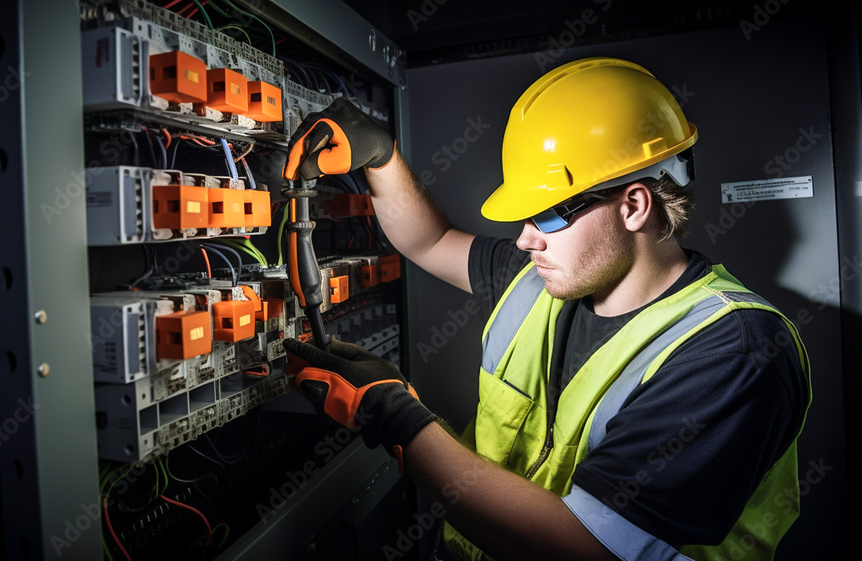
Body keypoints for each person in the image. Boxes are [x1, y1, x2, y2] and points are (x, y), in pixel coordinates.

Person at [281, 57, 811, 561]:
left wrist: (398, 420)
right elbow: (430, 240)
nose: (524, 240)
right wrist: (383, 157)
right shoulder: (541, 281)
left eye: (547, 215)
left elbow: (588, 548)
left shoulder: (735, 352)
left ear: (633, 205)